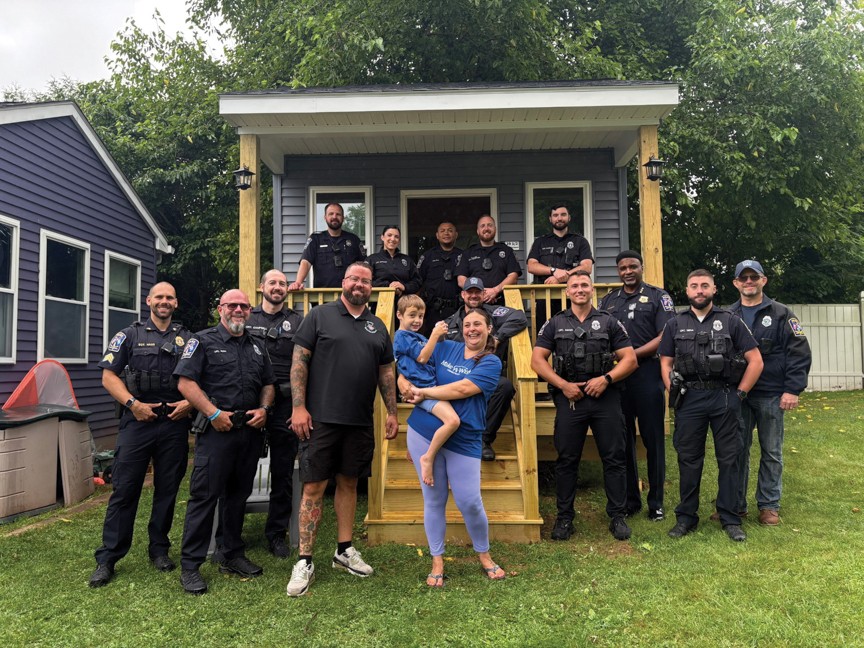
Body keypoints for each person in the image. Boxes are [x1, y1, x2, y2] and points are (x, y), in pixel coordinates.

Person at [286, 261, 399, 597]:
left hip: (359, 421)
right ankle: (305, 560)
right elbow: (299, 362)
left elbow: (386, 373)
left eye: (365, 281)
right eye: (354, 279)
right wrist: (298, 407)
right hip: (320, 419)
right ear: (343, 282)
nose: (359, 285)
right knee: (314, 487)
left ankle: (344, 550)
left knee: (349, 483)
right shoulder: (319, 316)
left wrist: (392, 412)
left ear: (371, 288)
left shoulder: (377, 326)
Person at [88, 282, 192, 588]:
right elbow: (109, 376)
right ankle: (108, 557)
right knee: (125, 489)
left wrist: (189, 403)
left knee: (167, 489)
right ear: (149, 301)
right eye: (159, 297)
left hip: (174, 422)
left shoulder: (188, 338)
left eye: (169, 297)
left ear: (176, 303)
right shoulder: (128, 335)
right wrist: (134, 405)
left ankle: (159, 550)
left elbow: (203, 377)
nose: (164, 301)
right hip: (137, 421)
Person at [173, 289, 276, 594]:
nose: (238, 310)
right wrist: (213, 412)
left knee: (237, 497)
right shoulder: (202, 341)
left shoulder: (257, 345)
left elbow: (268, 383)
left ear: (250, 310)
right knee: (204, 497)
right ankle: (191, 566)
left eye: (244, 306)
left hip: (248, 433)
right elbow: (185, 383)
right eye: (232, 305)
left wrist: (265, 409)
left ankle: (231, 553)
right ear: (220, 309)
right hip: (216, 433)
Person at [400, 308, 507, 586]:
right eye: (467, 324)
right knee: (434, 500)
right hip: (424, 432)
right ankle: (437, 560)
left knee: (469, 501)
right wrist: (403, 381)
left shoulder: (491, 362)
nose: (472, 329)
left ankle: (484, 554)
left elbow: (462, 389)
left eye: (478, 324)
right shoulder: (445, 347)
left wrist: (422, 392)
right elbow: (411, 362)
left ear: (489, 329)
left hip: (465, 438)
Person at [531, 270, 638, 542]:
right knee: (567, 459)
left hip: (605, 397)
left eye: (584, 285)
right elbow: (537, 360)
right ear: (567, 291)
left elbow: (629, 359)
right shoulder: (554, 323)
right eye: (575, 285)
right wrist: (563, 385)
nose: (579, 289)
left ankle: (617, 515)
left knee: (614, 457)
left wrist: (606, 379)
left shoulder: (609, 322)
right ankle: (564, 518)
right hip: (571, 398)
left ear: (592, 290)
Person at [659, 269, 763, 542]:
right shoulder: (674, 323)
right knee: (688, 459)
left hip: (723, 397)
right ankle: (686, 517)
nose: (699, 290)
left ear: (714, 290)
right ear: (687, 290)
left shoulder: (731, 321)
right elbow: (665, 362)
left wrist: (740, 394)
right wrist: (673, 389)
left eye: (705, 285)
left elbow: (756, 361)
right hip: (689, 399)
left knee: (729, 458)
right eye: (694, 286)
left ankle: (730, 518)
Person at [729, 260, 811, 525]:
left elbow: (799, 353)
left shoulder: (782, 314)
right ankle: (735, 505)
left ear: (763, 280)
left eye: (754, 277)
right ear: (736, 283)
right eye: (744, 278)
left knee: (772, 452)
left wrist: (792, 389)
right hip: (739, 393)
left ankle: (769, 505)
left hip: (771, 393)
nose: (749, 281)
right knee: (736, 450)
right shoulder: (727, 315)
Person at [598, 251, 676, 521]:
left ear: (641, 268)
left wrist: (631, 356)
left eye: (633, 266)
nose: (628, 271)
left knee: (653, 440)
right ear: (618, 271)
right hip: (619, 379)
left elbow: (665, 336)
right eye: (623, 268)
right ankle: (631, 500)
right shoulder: (608, 301)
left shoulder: (658, 297)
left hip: (647, 375)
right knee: (623, 441)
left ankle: (656, 503)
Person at [245, 269, 304, 556]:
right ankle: (229, 532)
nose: (278, 287)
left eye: (282, 283)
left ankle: (277, 533)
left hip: (285, 404)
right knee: (242, 466)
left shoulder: (298, 322)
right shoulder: (247, 318)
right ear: (262, 287)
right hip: (249, 402)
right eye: (273, 283)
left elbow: (306, 362)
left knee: (282, 470)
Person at [444, 277, 528, 461]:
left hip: (486, 376)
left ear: (483, 294)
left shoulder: (495, 314)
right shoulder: (449, 322)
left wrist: (497, 338)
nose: (474, 296)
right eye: (470, 292)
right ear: (463, 295)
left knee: (504, 386)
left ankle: (483, 440)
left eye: (477, 292)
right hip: (458, 376)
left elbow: (520, 317)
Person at [393, 294, 459, 486]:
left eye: (421, 316)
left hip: (431, 386)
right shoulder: (402, 337)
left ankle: (414, 447)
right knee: (452, 421)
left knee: (436, 420)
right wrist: (434, 335)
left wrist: (440, 337)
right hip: (422, 389)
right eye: (412, 315)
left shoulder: (419, 337)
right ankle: (427, 457)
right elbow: (422, 358)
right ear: (399, 315)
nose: (417, 320)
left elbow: (432, 356)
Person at [288, 202, 366, 290]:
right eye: (331, 214)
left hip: (349, 293)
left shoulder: (353, 239)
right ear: (325, 217)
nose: (334, 217)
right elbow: (306, 262)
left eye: (338, 214)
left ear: (343, 218)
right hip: (322, 294)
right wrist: (298, 282)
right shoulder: (315, 239)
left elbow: (363, 265)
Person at [455, 214, 521, 306]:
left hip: (502, 303)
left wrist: (495, 290)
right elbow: (461, 280)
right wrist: (480, 293)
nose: (486, 228)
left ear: (495, 229)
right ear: (478, 231)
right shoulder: (468, 253)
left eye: (490, 225)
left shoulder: (507, 251)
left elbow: (513, 277)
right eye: (482, 226)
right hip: (476, 304)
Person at [526, 204, 594, 283]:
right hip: (544, 289)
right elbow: (531, 266)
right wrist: (553, 270)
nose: (559, 218)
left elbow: (587, 267)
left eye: (563, 215)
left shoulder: (580, 241)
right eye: (555, 215)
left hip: (573, 289)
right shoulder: (540, 242)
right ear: (550, 219)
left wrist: (565, 276)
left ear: (569, 217)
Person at [417, 221, 462, 337]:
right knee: (432, 341)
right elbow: (417, 282)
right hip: (433, 310)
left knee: (455, 340)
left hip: (456, 309)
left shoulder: (463, 256)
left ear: (456, 235)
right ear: (437, 235)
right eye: (442, 231)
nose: (446, 233)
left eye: (450, 230)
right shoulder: (427, 256)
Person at [366, 225, 422, 297]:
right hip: (380, 301)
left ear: (399, 240)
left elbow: (417, 282)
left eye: (396, 237)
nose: (393, 239)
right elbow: (365, 281)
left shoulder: (407, 260)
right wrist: (388, 285)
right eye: (389, 235)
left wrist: (404, 287)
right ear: (382, 237)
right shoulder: (372, 259)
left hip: (404, 301)